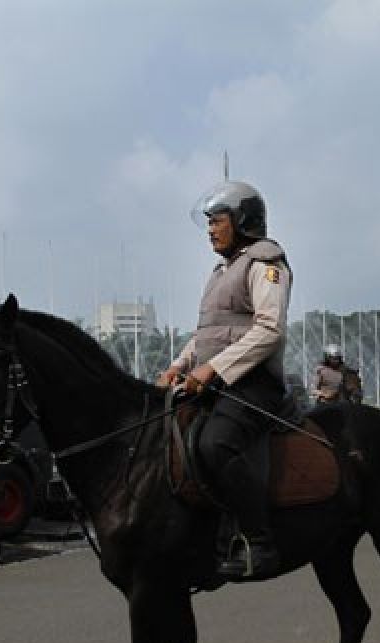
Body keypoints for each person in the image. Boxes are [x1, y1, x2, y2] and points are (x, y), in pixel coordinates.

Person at [156, 180, 292, 578]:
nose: (211, 229)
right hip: (215, 382)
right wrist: (177, 366)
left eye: (218, 220)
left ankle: (259, 541)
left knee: (216, 445)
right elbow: (207, 334)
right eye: (210, 222)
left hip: (253, 384)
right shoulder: (221, 271)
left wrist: (211, 370)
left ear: (243, 221)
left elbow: (270, 330)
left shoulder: (265, 262)